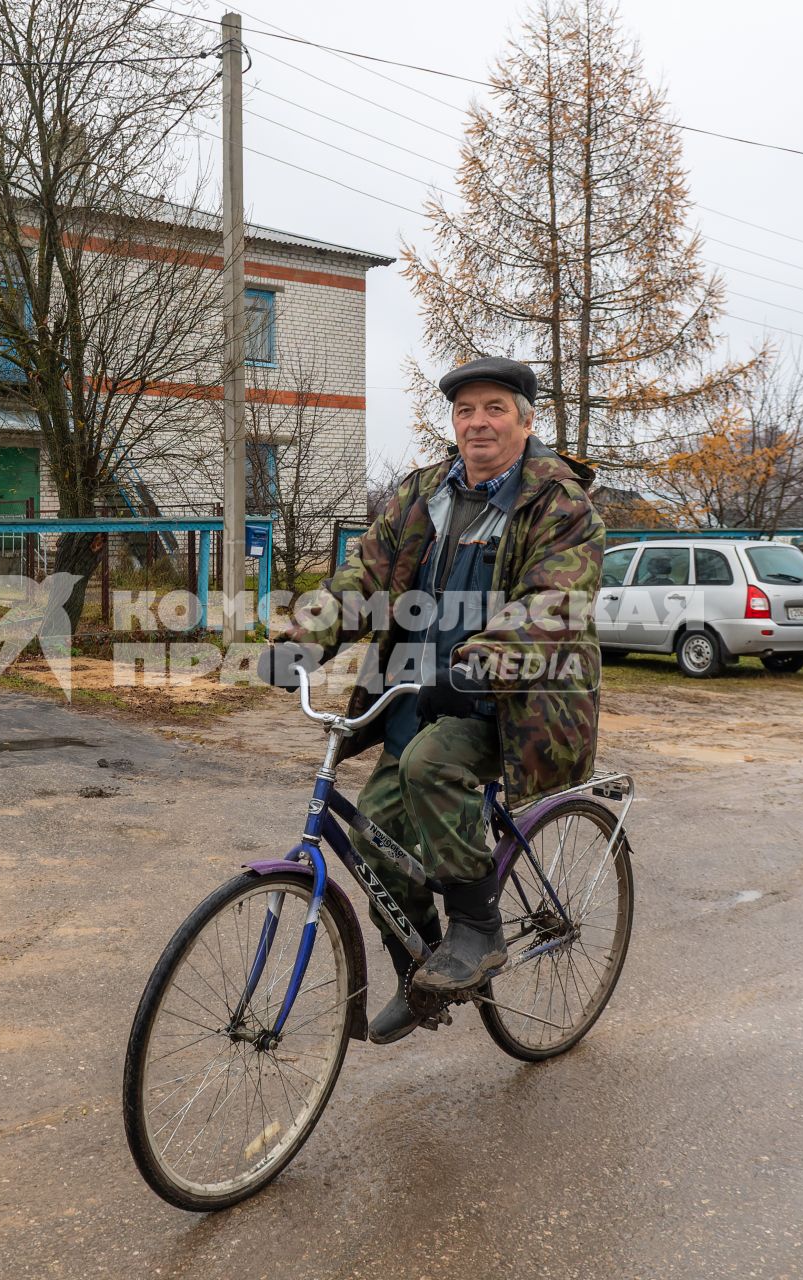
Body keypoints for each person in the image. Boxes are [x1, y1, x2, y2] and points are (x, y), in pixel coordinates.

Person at [258, 356, 604, 1044]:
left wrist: (481, 663)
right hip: (418, 694)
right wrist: (302, 640)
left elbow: (552, 604)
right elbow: (363, 577)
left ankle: (478, 927)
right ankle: (422, 977)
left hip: (512, 702)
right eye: (465, 410)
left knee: (429, 769)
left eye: (495, 408)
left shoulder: (559, 504)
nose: (478, 422)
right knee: (375, 842)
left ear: (526, 420)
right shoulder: (423, 495)